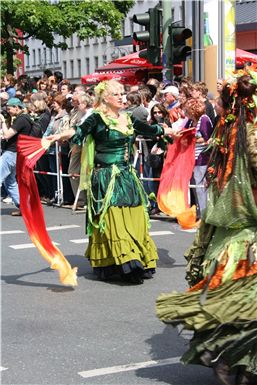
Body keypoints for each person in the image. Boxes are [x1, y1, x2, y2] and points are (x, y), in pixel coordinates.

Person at [156, 67, 257, 385]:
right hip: (246, 230)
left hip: (224, 233)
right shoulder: (248, 135)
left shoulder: (228, 132)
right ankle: (234, 360)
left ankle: (232, 360)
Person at [47, 79, 173, 284]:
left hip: (127, 175)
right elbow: (79, 132)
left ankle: (135, 256)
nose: (122, 97)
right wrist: (60, 135)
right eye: (117, 94)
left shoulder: (129, 118)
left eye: (123, 93)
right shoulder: (96, 118)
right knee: (113, 218)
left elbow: (150, 130)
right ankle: (124, 262)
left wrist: (169, 131)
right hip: (106, 176)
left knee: (134, 217)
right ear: (105, 98)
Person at [0, 97, 33, 216]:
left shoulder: (21, 120)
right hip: (17, 154)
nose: (8, 111)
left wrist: (3, 121)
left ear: (17, 107)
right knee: (10, 182)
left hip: (11, 153)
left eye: (9, 108)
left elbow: (7, 135)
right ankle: (24, 208)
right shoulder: (26, 119)